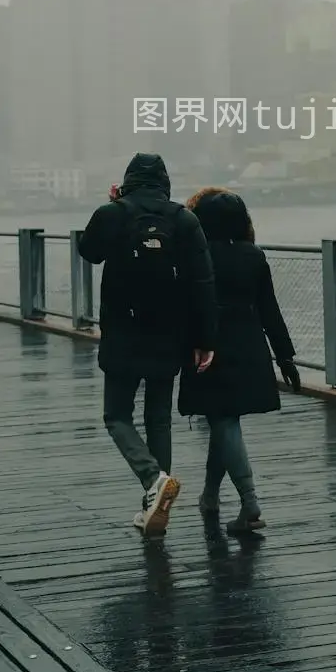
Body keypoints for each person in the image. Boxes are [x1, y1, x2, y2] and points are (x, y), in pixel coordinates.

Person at [78, 153, 217, 537]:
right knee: (158, 417)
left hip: (124, 327)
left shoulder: (114, 213)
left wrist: (112, 204)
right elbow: (203, 282)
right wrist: (205, 339)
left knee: (116, 415)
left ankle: (153, 481)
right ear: (164, 181)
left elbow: (89, 252)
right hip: (168, 331)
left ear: (128, 180)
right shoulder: (183, 219)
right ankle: (156, 502)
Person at [177, 187, 300, 533]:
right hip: (250, 348)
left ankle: (250, 503)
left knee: (223, 420)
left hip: (209, 347)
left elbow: (183, 307)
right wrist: (285, 357)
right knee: (224, 420)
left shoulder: (195, 256)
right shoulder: (253, 256)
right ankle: (210, 497)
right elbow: (269, 310)